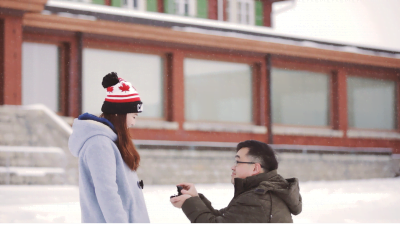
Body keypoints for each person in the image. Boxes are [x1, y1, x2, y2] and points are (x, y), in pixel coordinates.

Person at [69, 72, 149, 223]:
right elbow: (107, 194)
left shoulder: (109, 142)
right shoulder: (99, 143)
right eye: (133, 116)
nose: (133, 123)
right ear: (120, 114)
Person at [170, 140, 302, 223]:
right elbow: (224, 219)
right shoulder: (260, 193)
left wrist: (188, 203)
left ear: (255, 168)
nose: (233, 167)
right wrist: (194, 198)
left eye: (238, 162)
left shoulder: (259, 199)